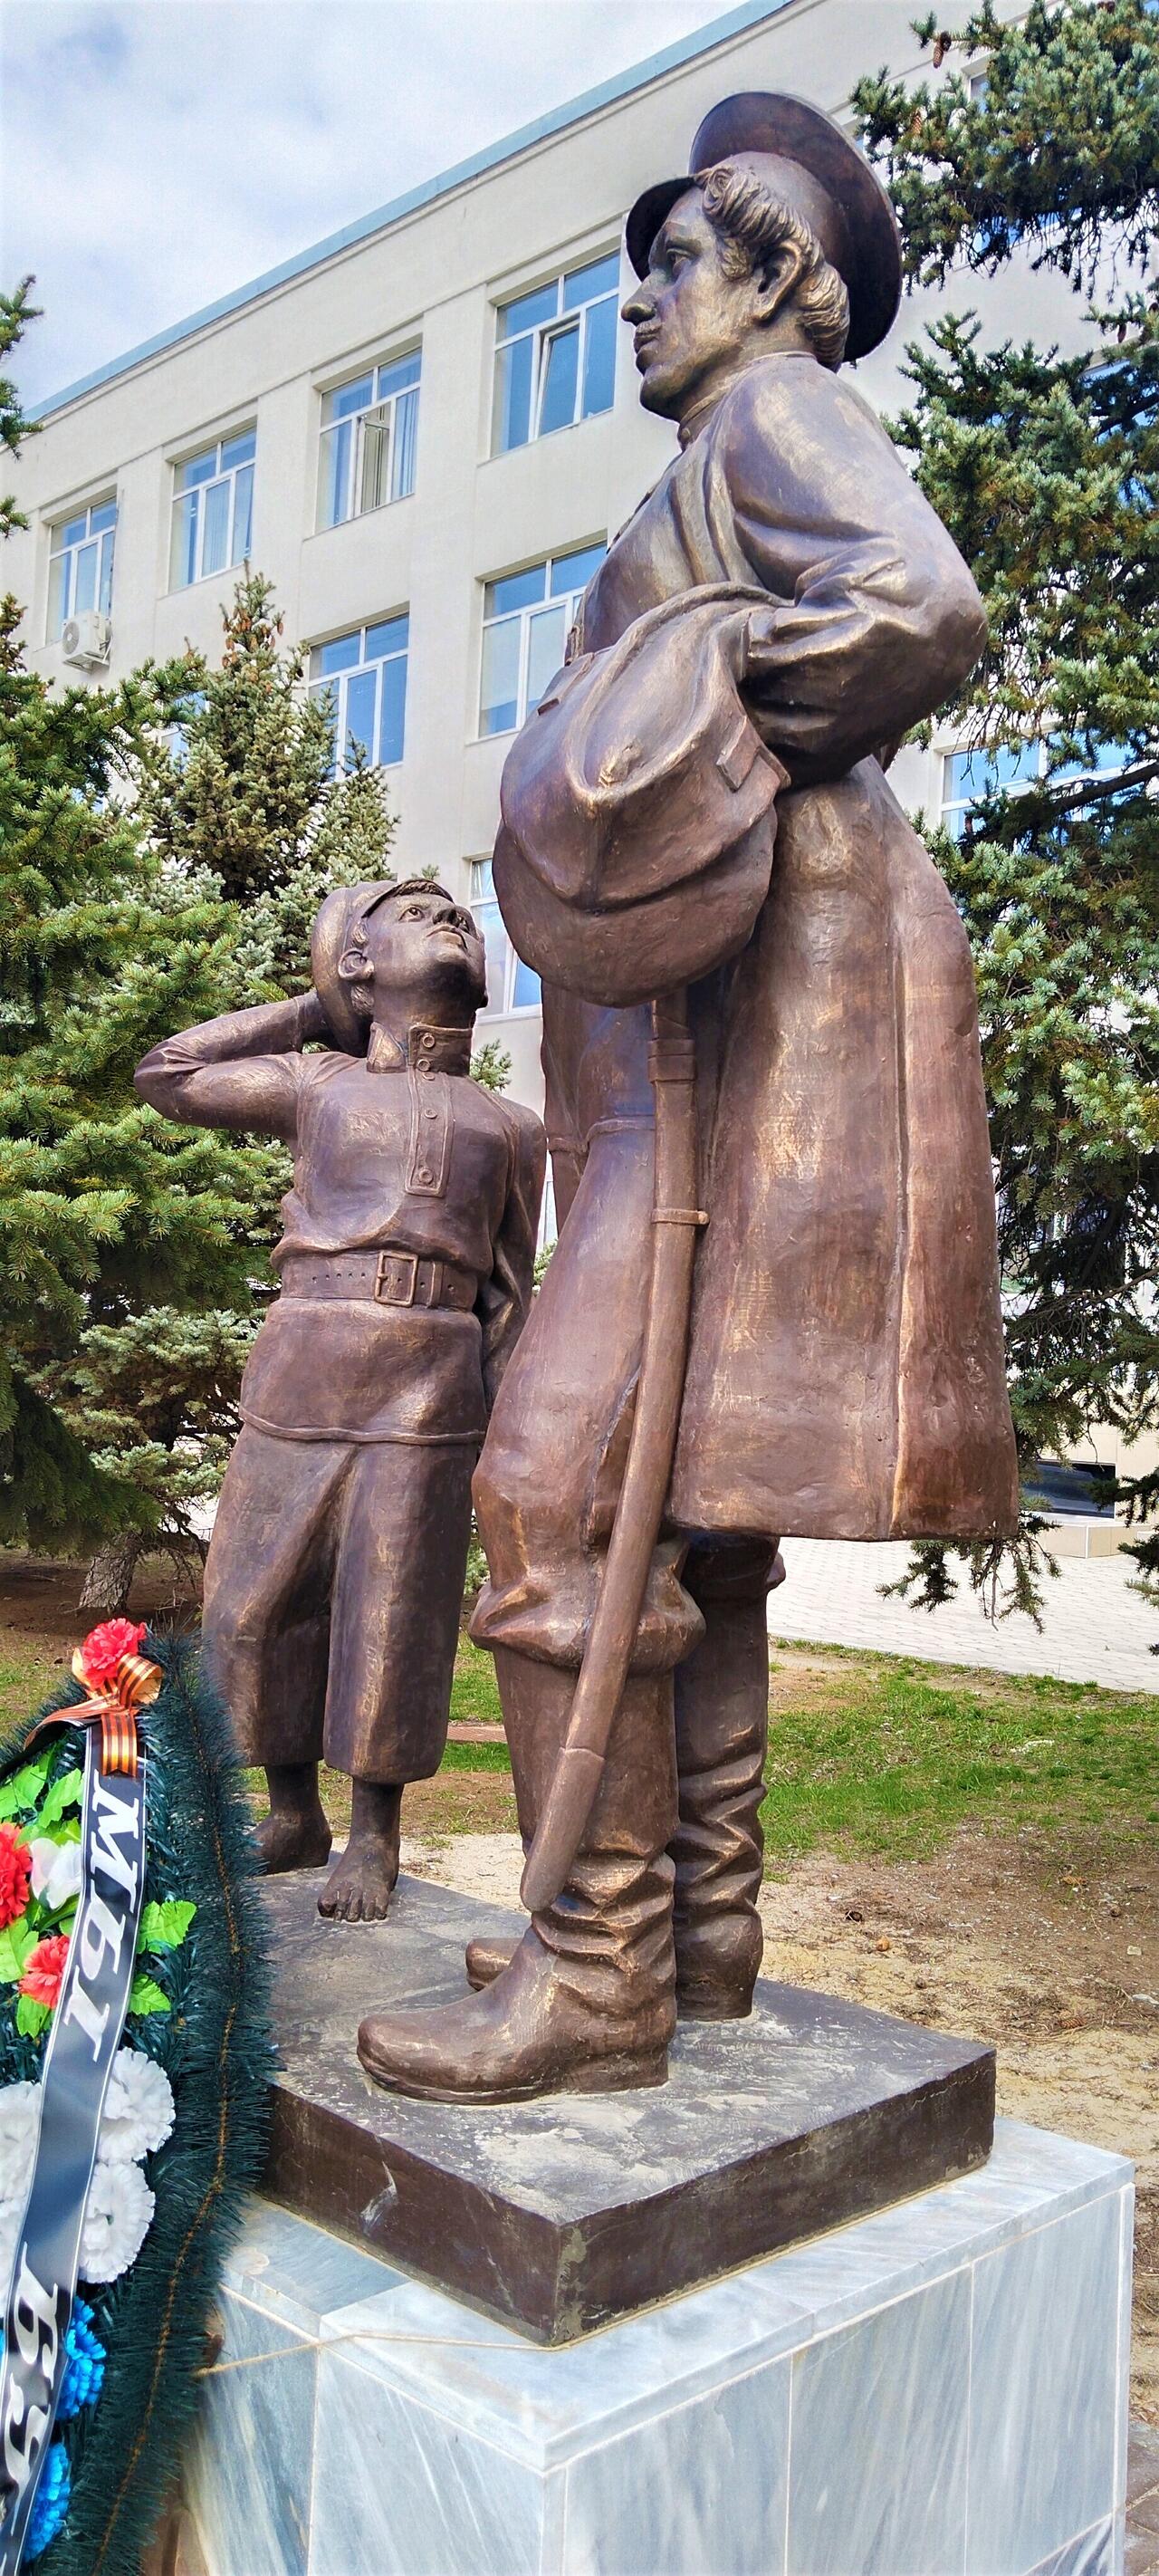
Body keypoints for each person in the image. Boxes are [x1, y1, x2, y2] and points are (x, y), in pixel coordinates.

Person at [357, 93, 1018, 2097]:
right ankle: (692, 1930)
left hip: (729, 1050)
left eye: (671, 266)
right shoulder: (724, 450)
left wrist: (699, 754)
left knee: (555, 1483)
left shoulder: (768, 416)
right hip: (700, 1043)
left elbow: (922, 606)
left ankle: (596, 1966)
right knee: (697, 1510)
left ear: (776, 277)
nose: (637, 303)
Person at [135, 879, 545, 1920]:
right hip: (304, 1364)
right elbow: (168, 1072)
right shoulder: (317, 1083)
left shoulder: (510, 1126)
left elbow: (510, 1290)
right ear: (356, 962)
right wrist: (318, 1009)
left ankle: (372, 1832)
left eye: (460, 915)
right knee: (253, 1602)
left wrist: (510, 1427)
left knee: (393, 1606)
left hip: (430, 1382)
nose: (450, 919)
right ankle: (290, 1813)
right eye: (414, 912)